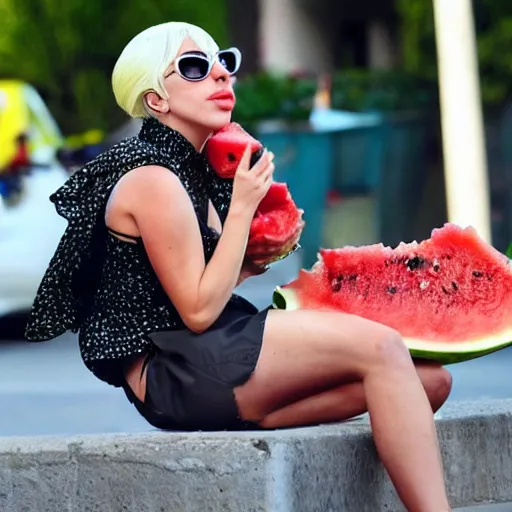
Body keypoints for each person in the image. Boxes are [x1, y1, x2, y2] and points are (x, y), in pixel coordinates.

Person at [25, 21, 453, 511]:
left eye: (224, 62)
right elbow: (199, 311)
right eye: (194, 68)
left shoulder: (193, 168)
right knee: (381, 345)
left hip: (207, 360)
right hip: (179, 369)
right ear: (156, 100)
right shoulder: (152, 177)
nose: (220, 76)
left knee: (429, 383)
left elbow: (200, 282)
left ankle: (261, 411)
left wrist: (250, 261)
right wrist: (244, 207)